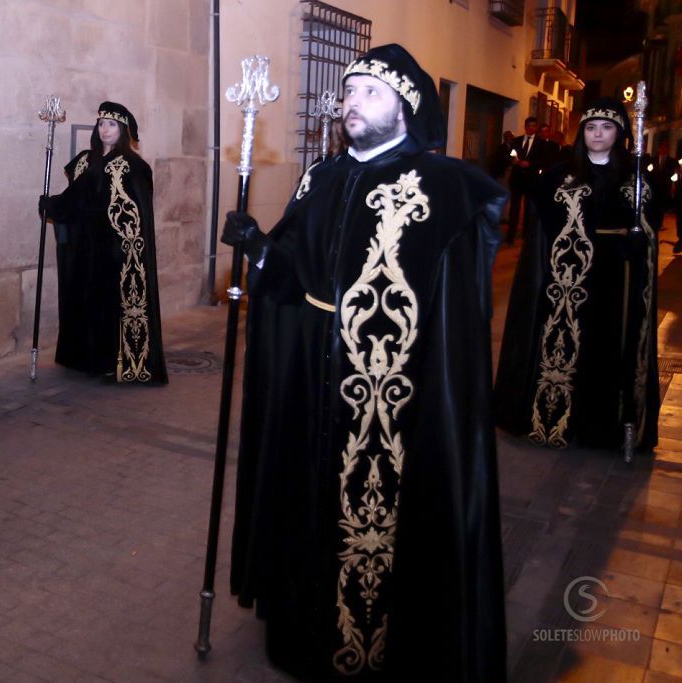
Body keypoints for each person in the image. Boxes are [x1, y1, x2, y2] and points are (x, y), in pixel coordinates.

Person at [223, 44, 506, 681]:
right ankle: (300, 632)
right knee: (305, 503)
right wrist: (259, 248)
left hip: (399, 401)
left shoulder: (442, 188)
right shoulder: (320, 177)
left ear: (406, 106)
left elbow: (455, 316)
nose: (352, 102)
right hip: (312, 384)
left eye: (370, 92)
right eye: (349, 91)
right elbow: (296, 275)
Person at [493, 98, 659, 452]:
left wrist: (640, 240)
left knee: (608, 349)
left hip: (618, 279)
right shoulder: (559, 175)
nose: (598, 134)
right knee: (568, 347)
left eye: (607, 127)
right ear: (582, 132)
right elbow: (543, 229)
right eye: (591, 127)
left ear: (620, 133)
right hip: (567, 281)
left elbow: (651, 221)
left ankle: (604, 428)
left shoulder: (636, 175)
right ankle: (558, 422)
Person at [40, 102, 168, 384]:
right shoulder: (86, 160)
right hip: (85, 249)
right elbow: (75, 199)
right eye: (101, 124)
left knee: (109, 308)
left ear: (122, 130)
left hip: (115, 253)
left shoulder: (134, 167)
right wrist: (53, 206)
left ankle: (116, 364)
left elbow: (136, 214)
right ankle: (82, 357)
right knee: (83, 301)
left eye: (111, 125)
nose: (104, 129)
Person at [507, 116, 555, 245]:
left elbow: (545, 161)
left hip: (531, 179)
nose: (531, 128)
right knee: (514, 208)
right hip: (517, 178)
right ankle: (510, 235)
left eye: (534, 126)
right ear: (525, 126)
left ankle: (526, 236)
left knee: (529, 208)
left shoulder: (542, 143)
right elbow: (510, 155)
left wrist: (530, 164)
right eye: (529, 126)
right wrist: (514, 161)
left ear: (536, 127)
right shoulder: (516, 141)